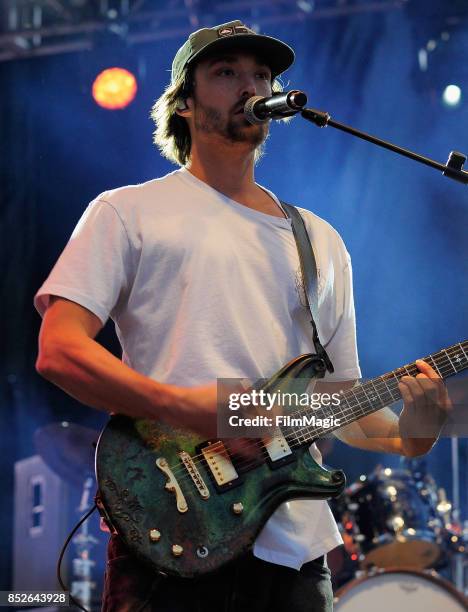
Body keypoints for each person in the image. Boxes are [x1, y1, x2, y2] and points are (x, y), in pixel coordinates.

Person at [34, 19, 451, 612]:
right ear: (183, 103)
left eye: (262, 74)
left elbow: (342, 405)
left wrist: (418, 432)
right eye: (226, 73)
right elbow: (59, 351)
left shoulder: (321, 241)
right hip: (174, 527)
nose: (250, 85)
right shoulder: (127, 213)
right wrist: (182, 406)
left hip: (296, 552)